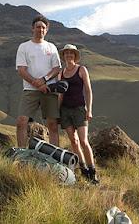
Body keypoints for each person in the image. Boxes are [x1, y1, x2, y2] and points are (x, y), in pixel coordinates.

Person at [15, 15, 61, 147]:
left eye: (43, 27)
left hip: (49, 89)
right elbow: (21, 70)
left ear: (46, 30)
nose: (40, 30)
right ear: (32, 28)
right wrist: (36, 83)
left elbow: (57, 68)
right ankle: (22, 153)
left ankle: (55, 156)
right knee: (22, 121)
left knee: (52, 124)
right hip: (30, 90)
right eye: (38, 27)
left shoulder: (51, 47)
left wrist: (44, 80)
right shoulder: (24, 47)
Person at [58, 44, 99, 184]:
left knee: (83, 141)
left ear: (75, 55)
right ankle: (83, 169)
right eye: (66, 53)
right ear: (63, 56)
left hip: (79, 109)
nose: (69, 55)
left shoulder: (81, 70)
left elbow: (88, 90)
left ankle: (93, 171)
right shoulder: (61, 73)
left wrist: (89, 109)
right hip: (65, 110)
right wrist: (58, 111)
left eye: (71, 53)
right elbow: (60, 95)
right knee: (74, 142)